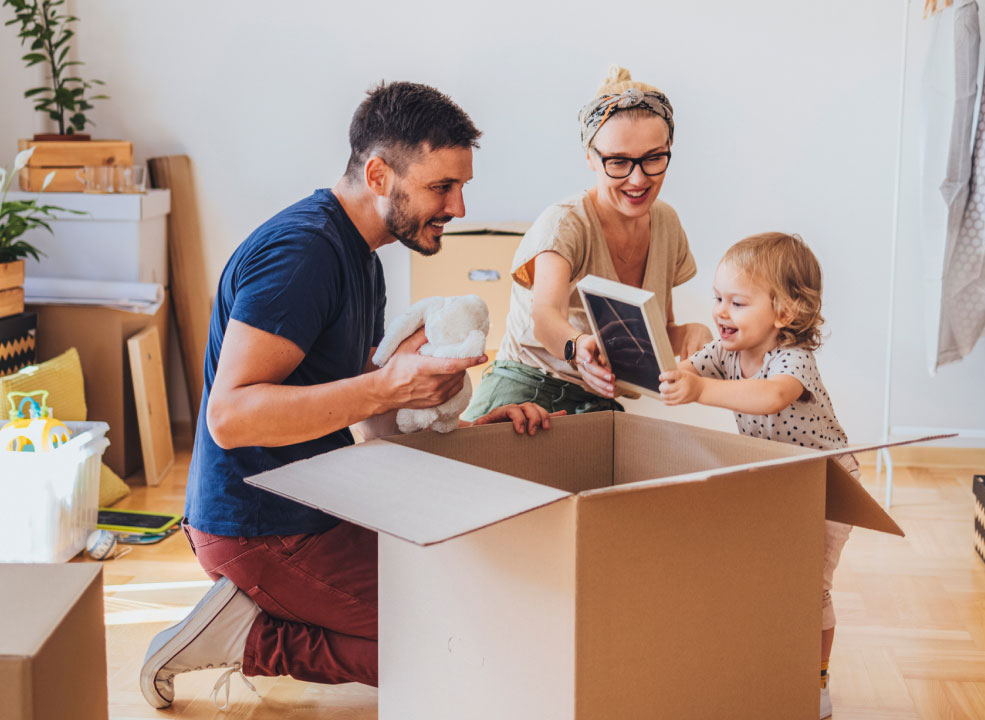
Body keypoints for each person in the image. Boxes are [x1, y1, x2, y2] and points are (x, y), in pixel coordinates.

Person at [139, 81, 558, 709]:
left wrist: (473, 429)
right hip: (259, 526)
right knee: (464, 641)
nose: (460, 207)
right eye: (443, 187)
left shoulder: (360, 254)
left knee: (479, 607)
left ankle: (260, 615)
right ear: (379, 173)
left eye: (461, 186)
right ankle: (248, 636)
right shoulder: (303, 253)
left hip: (317, 501)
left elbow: (360, 403)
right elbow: (230, 417)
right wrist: (384, 384)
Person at [658, 232, 853, 720]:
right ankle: (768, 664)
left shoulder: (792, 359)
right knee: (767, 577)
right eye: (718, 298)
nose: (722, 312)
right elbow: (681, 370)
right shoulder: (726, 354)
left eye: (738, 302)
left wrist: (699, 389)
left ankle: (817, 680)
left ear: (783, 314)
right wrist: (659, 365)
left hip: (825, 484)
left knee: (810, 588)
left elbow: (770, 397)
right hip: (778, 484)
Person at [464, 66, 711, 419]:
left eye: (653, 158)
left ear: (669, 149)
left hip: (596, 405)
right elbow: (546, 318)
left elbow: (655, 333)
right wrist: (578, 346)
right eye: (618, 162)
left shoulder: (667, 224)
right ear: (590, 157)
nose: (638, 178)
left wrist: (691, 333)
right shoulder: (566, 222)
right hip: (527, 390)